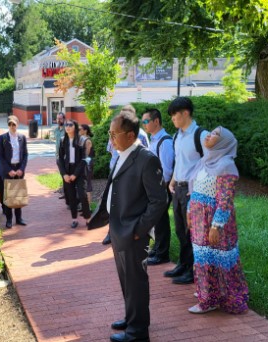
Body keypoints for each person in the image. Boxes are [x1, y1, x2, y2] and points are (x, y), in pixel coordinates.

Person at [89, 111, 167, 342]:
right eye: (110, 134)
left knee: (136, 282)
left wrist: (138, 229)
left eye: (114, 134)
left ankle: (138, 332)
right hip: (118, 229)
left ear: (131, 135)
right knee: (126, 281)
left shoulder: (146, 159)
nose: (111, 139)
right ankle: (133, 317)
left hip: (133, 233)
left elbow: (159, 200)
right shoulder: (122, 153)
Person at [187, 126, 249, 314]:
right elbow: (195, 190)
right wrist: (190, 212)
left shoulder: (226, 165)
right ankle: (209, 293)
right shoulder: (205, 161)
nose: (209, 136)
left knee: (220, 258)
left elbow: (225, 200)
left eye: (216, 135)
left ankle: (215, 298)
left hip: (215, 222)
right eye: (211, 132)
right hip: (199, 219)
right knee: (203, 257)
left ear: (224, 142)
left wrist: (216, 226)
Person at [165, 97, 208, 285]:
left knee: (193, 231)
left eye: (174, 114)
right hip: (178, 189)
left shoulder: (201, 135)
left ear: (185, 113)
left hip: (194, 192)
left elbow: (210, 165)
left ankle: (192, 271)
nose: (172, 118)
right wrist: (172, 182)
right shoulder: (177, 136)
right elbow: (179, 163)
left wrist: (199, 188)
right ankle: (183, 265)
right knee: (181, 230)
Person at [102, 105, 150, 246]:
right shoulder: (115, 131)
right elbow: (111, 150)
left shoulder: (140, 134)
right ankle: (112, 232)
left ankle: (130, 231)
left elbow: (145, 154)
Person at [142, 108, 175, 265]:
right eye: (143, 121)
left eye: (146, 121)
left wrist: (159, 188)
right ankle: (157, 250)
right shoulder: (154, 139)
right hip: (153, 188)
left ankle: (163, 254)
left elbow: (167, 171)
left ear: (156, 121)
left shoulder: (165, 141)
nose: (144, 124)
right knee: (157, 220)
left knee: (161, 221)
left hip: (162, 188)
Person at [57, 119, 91, 228]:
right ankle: (74, 219)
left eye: (70, 125)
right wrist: (64, 174)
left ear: (75, 127)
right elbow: (60, 159)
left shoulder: (81, 140)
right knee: (71, 196)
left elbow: (83, 159)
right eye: (66, 125)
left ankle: (88, 218)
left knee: (82, 195)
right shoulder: (63, 141)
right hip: (67, 171)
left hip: (80, 171)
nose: (67, 127)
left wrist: (75, 174)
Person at [0, 115, 29, 229]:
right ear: (8, 125)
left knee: (18, 194)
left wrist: (21, 169)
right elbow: (0, 156)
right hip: (7, 170)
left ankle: (19, 218)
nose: (12, 126)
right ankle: (9, 219)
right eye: (10, 124)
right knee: (8, 196)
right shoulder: (2, 138)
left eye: (14, 124)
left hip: (19, 169)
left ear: (17, 124)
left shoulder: (22, 137)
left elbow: (25, 155)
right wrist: (9, 170)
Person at [79, 124, 95, 204]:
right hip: (84, 163)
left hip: (87, 163)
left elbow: (86, 154)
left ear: (85, 130)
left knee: (88, 183)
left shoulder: (88, 140)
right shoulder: (82, 139)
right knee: (83, 183)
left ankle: (88, 206)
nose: (79, 130)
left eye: (80, 129)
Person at [54, 112, 66, 199]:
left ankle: (69, 194)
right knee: (62, 175)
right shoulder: (56, 130)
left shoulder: (67, 129)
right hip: (58, 157)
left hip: (65, 157)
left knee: (66, 175)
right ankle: (65, 193)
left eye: (60, 118)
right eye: (57, 118)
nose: (59, 120)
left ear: (64, 119)